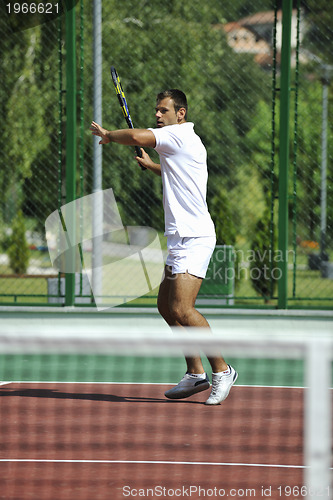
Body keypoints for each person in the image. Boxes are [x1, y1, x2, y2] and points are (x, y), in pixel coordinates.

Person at [90, 89, 237, 405]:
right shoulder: (181, 143)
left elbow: (138, 136)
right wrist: (152, 165)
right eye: (156, 110)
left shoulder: (178, 136)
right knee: (166, 307)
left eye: (163, 110)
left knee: (183, 309)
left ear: (180, 113)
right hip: (178, 237)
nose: (157, 115)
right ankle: (195, 373)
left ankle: (223, 370)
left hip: (193, 238)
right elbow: (176, 172)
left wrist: (109, 135)